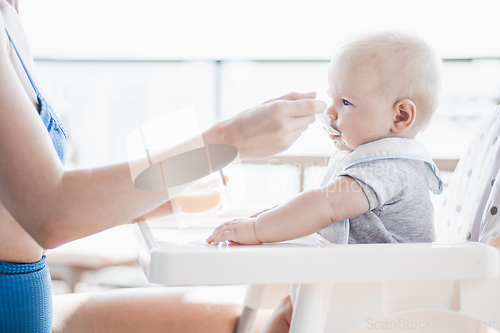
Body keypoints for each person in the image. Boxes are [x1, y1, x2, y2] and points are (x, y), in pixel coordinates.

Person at [0, 1, 327, 332]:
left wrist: (167, 195)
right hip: (12, 316)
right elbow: (50, 214)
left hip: (30, 307)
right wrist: (231, 139)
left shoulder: (10, 13)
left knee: (267, 314)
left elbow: (21, 209)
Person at [207, 31, 444, 332]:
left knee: (293, 312)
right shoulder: (371, 158)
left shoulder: (390, 166)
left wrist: (258, 229)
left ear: (400, 116)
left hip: (386, 295)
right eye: (332, 98)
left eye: (345, 102)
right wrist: (270, 216)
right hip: (361, 280)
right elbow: (321, 201)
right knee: (289, 307)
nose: (330, 112)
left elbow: (324, 204)